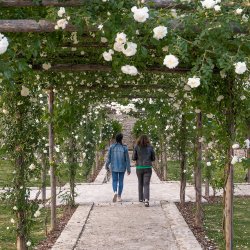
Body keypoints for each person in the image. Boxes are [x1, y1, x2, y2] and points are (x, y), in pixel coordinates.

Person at [105, 133, 131, 202]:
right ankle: (119, 196)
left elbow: (109, 158)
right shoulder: (124, 147)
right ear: (121, 139)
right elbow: (127, 159)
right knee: (121, 181)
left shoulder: (112, 147)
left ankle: (115, 192)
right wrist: (128, 169)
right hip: (122, 167)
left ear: (116, 139)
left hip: (114, 167)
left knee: (114, 181)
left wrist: (106, 165)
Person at [132, 134, 155, 207]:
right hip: (148, 167)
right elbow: (153, 158)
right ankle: (146, 200)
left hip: (139, 167)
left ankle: (140, 198)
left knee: (140, 183)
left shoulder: (136, 147)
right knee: (146, 184)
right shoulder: (150, 147)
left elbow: (133, 157)